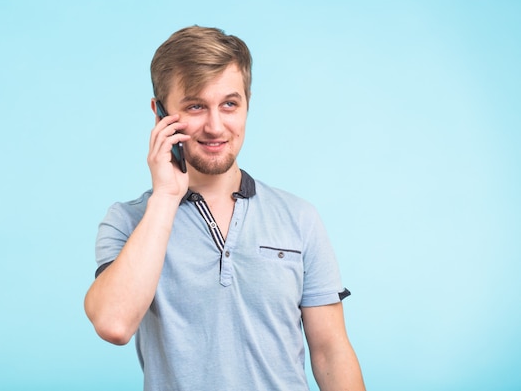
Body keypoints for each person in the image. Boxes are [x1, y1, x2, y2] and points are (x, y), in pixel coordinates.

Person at [84, 25, 366, 391]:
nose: (216, 126)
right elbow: (114, 323)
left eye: (229, 104)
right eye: (195, 106)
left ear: (247, 104)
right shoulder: (128, 221)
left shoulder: (299, 218)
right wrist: (166, 197)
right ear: (160, 115)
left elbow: (331, 352)